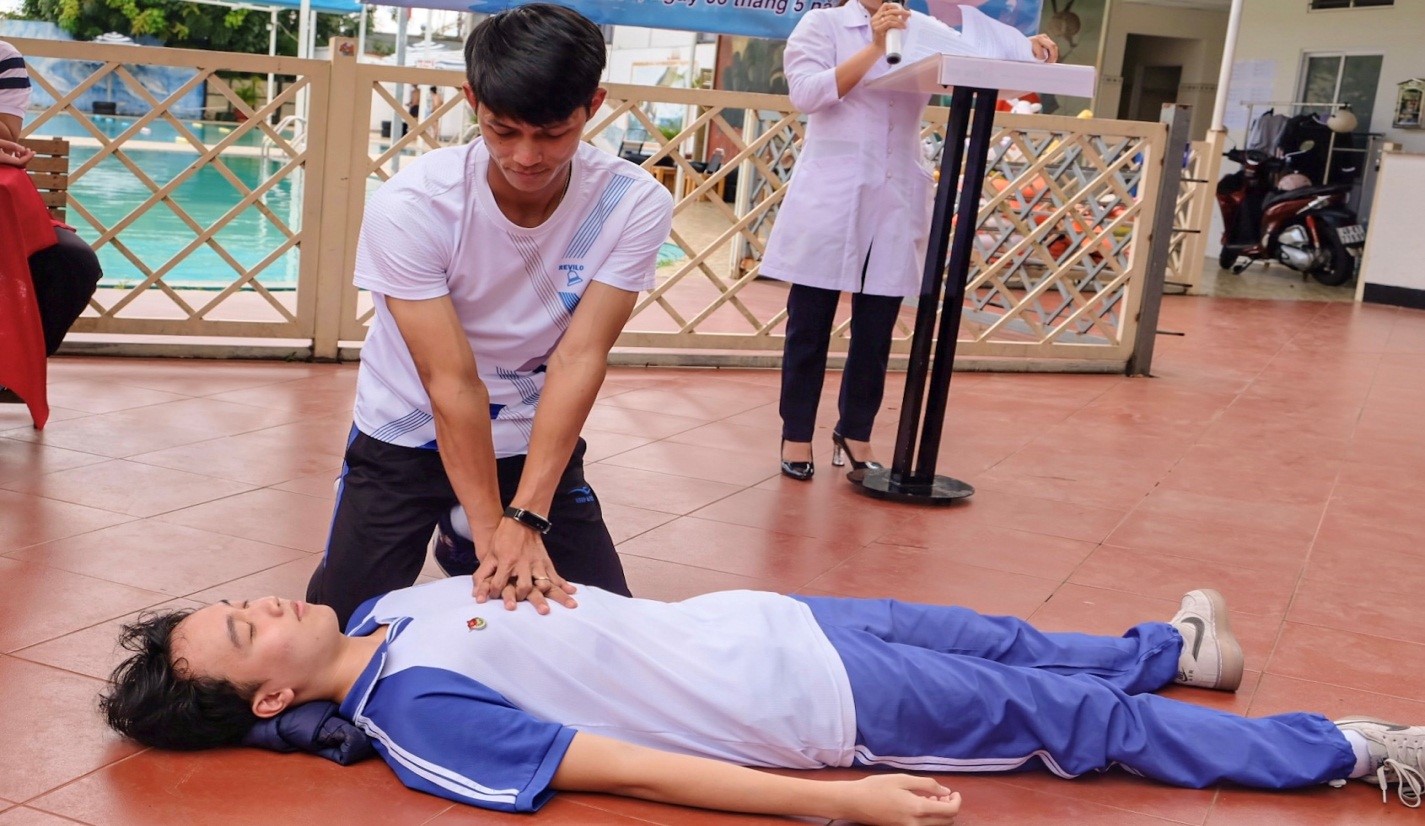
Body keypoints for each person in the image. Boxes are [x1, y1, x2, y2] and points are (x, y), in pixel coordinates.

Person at [101, 581, 1424, 822]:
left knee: (1009, 638)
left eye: (237, 599)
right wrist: (834, 803)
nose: (263, 599)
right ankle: (1349, 750)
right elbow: (621, 765)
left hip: (780, 617)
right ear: (271, 693)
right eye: (245, 630)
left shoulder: (392, 605)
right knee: (1078, 729)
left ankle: (1172, 647)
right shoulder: (415, 713)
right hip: (818, 695)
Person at [304, 5, 674, 626]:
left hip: (531, 439)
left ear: (593, 106)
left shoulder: (630, 203)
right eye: (503, 130)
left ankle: (460, 535)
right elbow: (451, 381)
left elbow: (580, 357)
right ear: (472, 100)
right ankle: (462, 531)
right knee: (336, 628)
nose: (526, 156)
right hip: (409, 428)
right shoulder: (415, 206)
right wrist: (491, 538)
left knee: (611, 629)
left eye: (552, 133)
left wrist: (525, 517)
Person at [759, 2, 1057, 482]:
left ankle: (855, 432)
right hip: (833, 190)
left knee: (877, 328)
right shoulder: (822, 24)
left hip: (896, 191)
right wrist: (875, 47)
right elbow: (807, 94)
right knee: (809, 325)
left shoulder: (921, 27)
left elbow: (982, 66)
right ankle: (796, 433)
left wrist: (1029, 52)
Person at [0, 40, 102, 363]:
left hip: (5, 210)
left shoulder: (4, 57)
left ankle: (14, 371)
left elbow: (6, 134)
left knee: (74, 263)